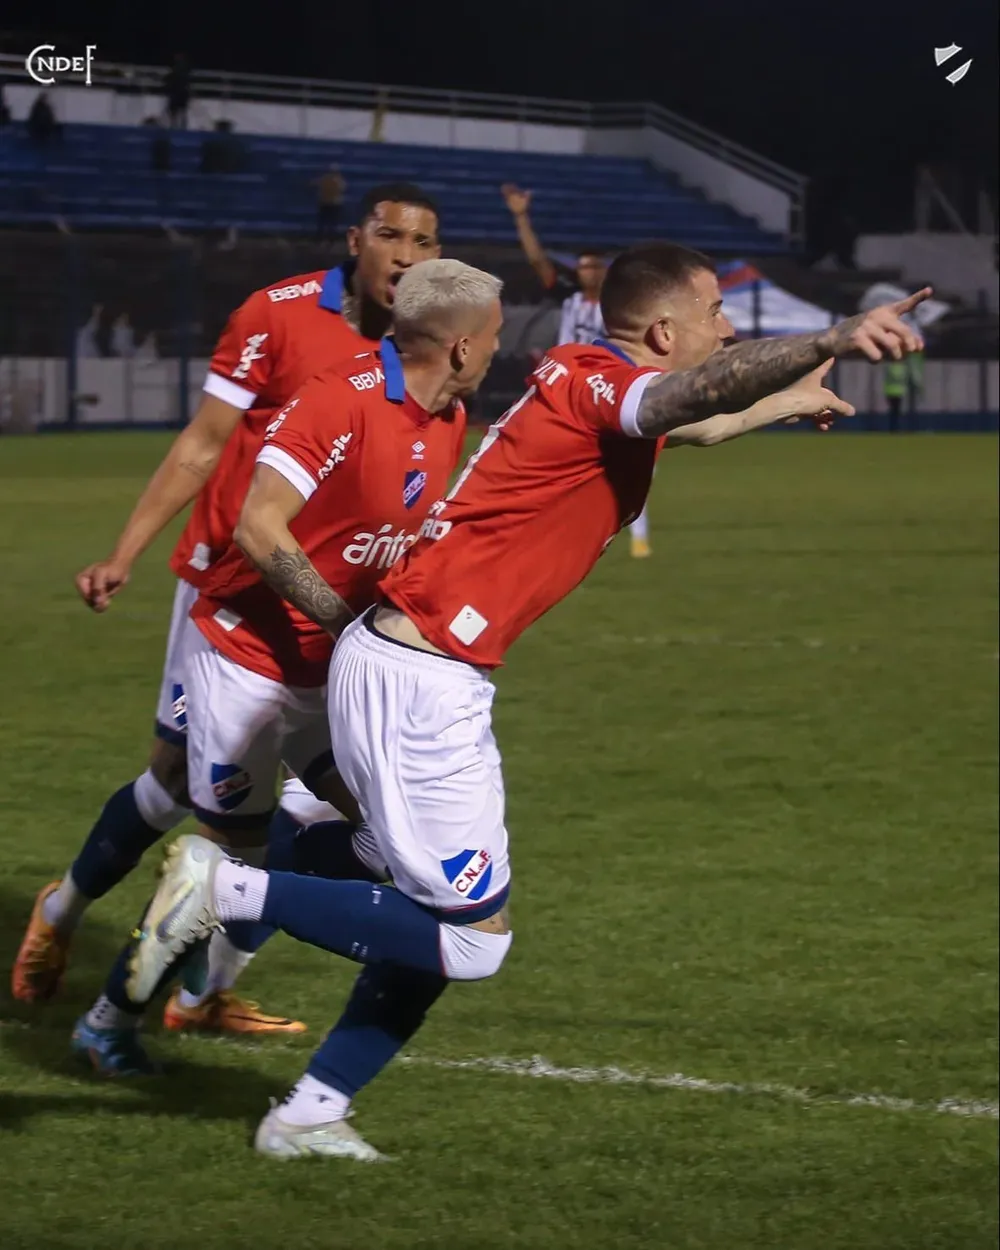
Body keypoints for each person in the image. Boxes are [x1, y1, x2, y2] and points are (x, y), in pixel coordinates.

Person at [128, 247, 930, 1159]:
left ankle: (308, 1111)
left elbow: (693, 424)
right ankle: (225, 885)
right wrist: (830, 335)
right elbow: (677, 405)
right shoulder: (601, 382)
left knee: (420, 901)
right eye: (716, 311)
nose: (729, 327)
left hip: (411, 664)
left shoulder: (596, 385)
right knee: (473, 940)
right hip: (419, 677)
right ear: (665, 332)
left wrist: (786, 399)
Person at [11, 184, 443, 1054]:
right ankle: (62, 909)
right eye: (390, 235)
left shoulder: (431, 354)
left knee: (311, 814)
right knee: (176, 787)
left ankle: (205, 991)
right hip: (233, 597)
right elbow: (206, 441)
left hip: (328, 618)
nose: (405, 253)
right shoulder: (278, 315)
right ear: (355, 239)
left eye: (424, 241)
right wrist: (125, 552)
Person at [75, 261, 487, 1076]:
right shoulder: (341, 395)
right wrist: (346, 625)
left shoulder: (448, 417)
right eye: (500, 332)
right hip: (245, 661)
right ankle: (108, 1019)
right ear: (466, 346)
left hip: (327, 673)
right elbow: (261, 530)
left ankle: (200, 990)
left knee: (380, 839)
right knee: (230, 865)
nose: (503, 346)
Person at [501, 182, 653, 558]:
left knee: (626, 461)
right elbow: (538, 261)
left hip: (604, 390)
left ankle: (636, 536)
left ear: (605, 271)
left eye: (594, 265)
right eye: (583, 265)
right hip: (564, 389)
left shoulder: (619, 304)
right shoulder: (567, 296)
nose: (587, 271)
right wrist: (521, 216)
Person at [883, 350, 923, 432]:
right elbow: (906, 379)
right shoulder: (903, 368)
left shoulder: (889, 367)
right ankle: (896, 428)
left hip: (890, 392)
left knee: (893, 411)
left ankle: (893, 428)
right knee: (897, 412)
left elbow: (887, 380)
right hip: (899, 392)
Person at [315, 166, 346, 244]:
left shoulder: (324, 179)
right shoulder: (338, 181)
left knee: (324, 223)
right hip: (333, 204)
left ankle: (321, 240)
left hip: (325, 203)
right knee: (331, 223)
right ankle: (330, 240)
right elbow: (342, 189)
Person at [163, 54, 191, 129]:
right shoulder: (186, 68)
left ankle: (175, 125)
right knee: (182, 111)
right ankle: (182, 126)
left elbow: (170, 77)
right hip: (182, 93)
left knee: (175, 111)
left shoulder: (176, 69)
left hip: (177, 93)